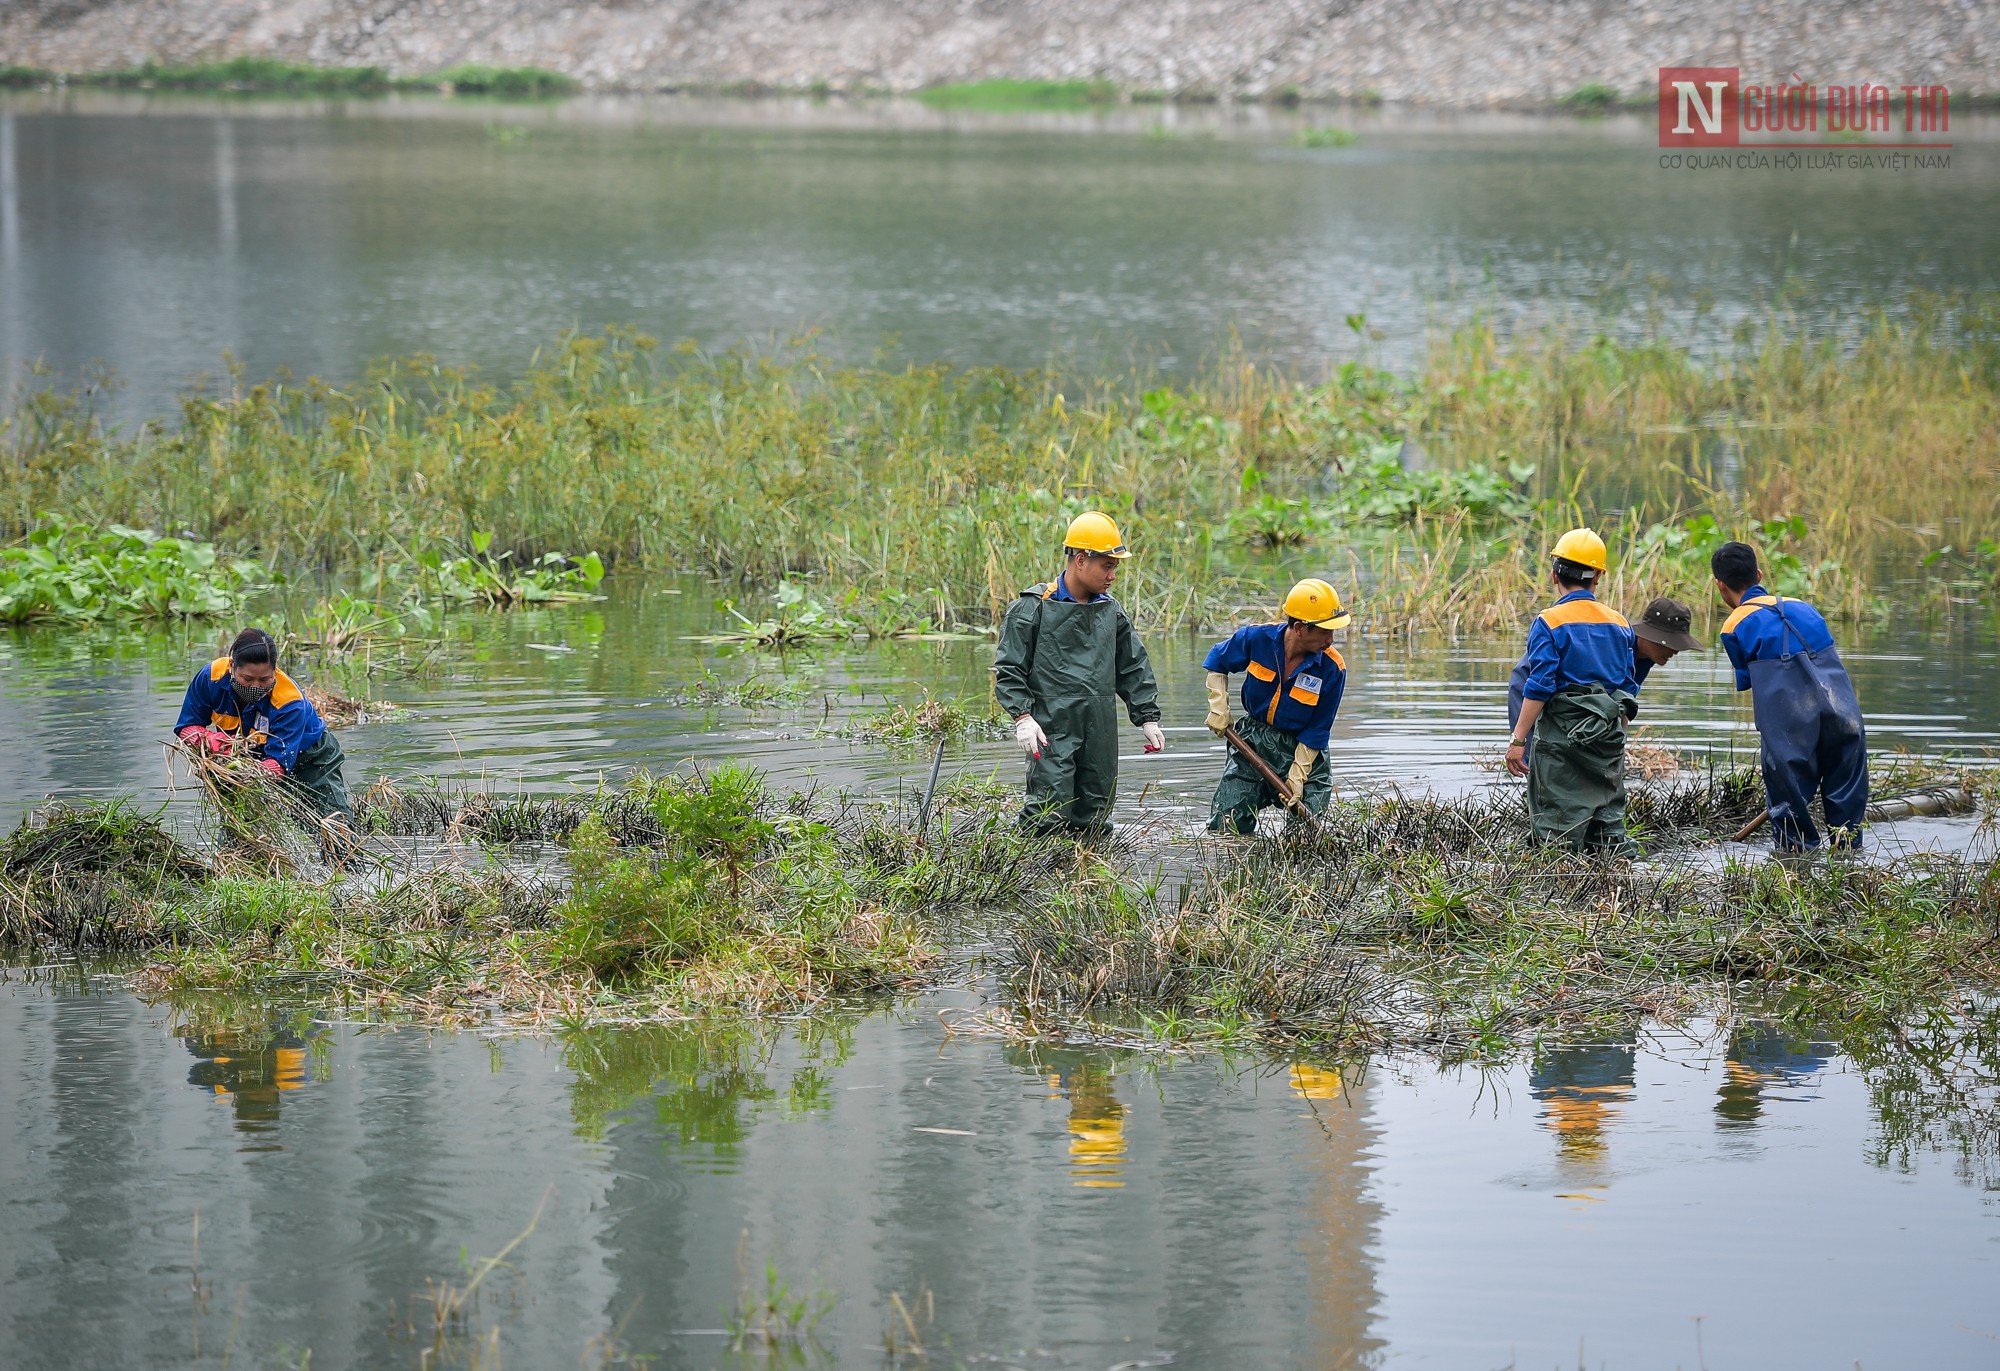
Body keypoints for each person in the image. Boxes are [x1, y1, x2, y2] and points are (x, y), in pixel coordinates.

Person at [993, 512, 1164, 836]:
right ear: (1081, 560)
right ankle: (1035, 879)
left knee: (1097, 814)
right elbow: (1009, 669)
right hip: (1051, 728)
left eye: (1115, 567)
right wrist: (1022, 718)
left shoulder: (1112, 612)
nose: (1113, 576)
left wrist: (1147, 717)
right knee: (1046, 813)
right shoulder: (1032, 608)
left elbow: (1132, 666)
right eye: (1107, 566)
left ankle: (1088, 878)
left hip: (1099, 729)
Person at [1712, 540, 1868, 851]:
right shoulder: (1804, 607)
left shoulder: (1733, 626)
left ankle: (1796, 874)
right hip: (1845, 716)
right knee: (1847, 818)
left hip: (1792, 728)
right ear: (1758, 575)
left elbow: (1754, 684)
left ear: (1720, 585)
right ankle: (1851, 873)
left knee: (1791, 822)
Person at [1506, 529, 1638, 856]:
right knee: (1607, 825)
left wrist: (1519, 740)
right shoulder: (1620, 623)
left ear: (1554, 575)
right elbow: (1627, 690)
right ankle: (1612, 893)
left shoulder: (1549, 621)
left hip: (1561, 743)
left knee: (1555, 829)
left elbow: (1539, 685)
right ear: (1598, 579)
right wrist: (1616, 742)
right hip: (1606, 737)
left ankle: (1557, 892)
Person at [1201, 578, 1350, 834]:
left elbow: (1318, 728)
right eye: (1325, 631)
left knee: (1305, 837)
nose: (1331, 639)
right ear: (1301, 628)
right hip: (1252, 741)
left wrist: (1298, 773)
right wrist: (1218, 706)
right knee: (1227, 826)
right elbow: (1218, 660)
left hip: (1304, 750)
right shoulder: (1256, 638)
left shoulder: (1332, 668)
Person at [176, 628, 354, 832]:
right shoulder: (211, 678)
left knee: (333, 826)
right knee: (240, 831)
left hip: (312, 759)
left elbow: (276, 765)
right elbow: (186, 727)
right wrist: (208, 740)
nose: (256, 687)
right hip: (250, 757)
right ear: (232, 666)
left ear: (275, 671)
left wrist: (245, 773)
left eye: (264, 680)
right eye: (248, 679)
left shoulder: (289, 702)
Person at [1506, 596, 1705, 751]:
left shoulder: (1647, 658)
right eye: (1671, 643)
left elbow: (1622, 702)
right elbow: (1543, 682)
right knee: (1537, 758)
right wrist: (1519, 739)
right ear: (1653, 637)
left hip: (1573, 704)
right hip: (1530, 687)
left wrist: (1616, 745)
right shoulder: (1617, 641)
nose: (1675, 651)